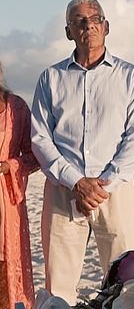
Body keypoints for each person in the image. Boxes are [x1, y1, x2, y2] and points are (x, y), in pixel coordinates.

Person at [31, 0, 134, 305]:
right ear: (69, 31)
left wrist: (102, 183)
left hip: (115, 191)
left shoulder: (129, 76)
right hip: (63, 192)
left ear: (106, 26)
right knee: (58, 285)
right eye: (79, 21)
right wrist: (77, 182)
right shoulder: (51, 78)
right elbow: (40, 138)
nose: (88, 25)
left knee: (124, 282)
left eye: (94, 18)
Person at [0, 62, 39, 309]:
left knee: (5, 268)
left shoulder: (16, 107)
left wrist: (9, 165)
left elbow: (34, 155)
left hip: (7, 199)